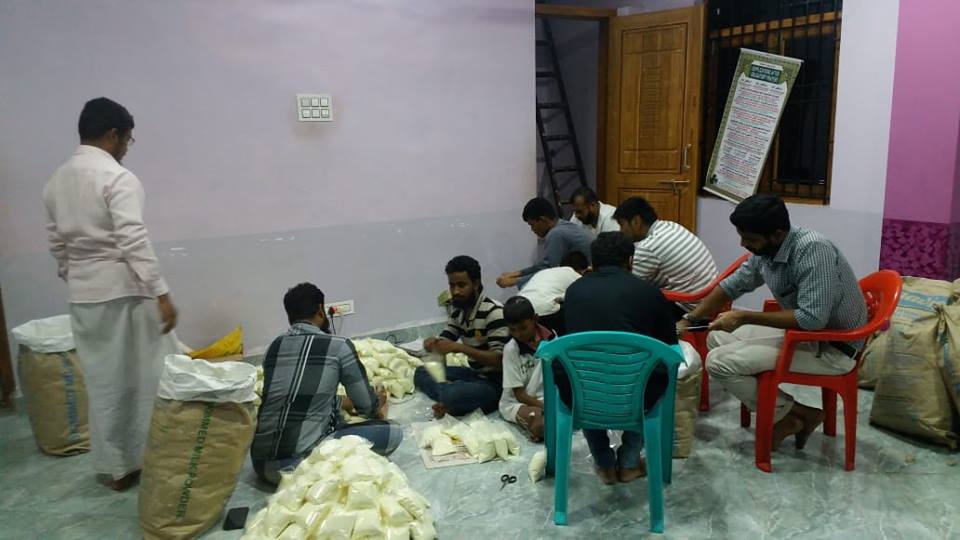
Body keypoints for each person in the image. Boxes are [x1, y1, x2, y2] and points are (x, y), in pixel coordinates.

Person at [43, 97, 179, 491]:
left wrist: (78, 277)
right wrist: (161, 293)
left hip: (83, 294)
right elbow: (132, 239)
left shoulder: (56, 181)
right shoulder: (117, 178)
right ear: (113, 135)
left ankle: (117, 468)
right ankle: (150, 458)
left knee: (103, 383)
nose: (126, 149)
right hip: (124, 293)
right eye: (127, 140)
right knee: (145, 379)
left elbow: (57, 244)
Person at [679, 194, 868, 451]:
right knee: (717, 337)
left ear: (777, 234)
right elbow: (731, 286)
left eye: (750, 238)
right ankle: (798, 413)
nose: (743, 244)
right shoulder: (768, 251)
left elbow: (812, 319)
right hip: (804, 336)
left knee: (718, 363)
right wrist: (689, 319)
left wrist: (745, 317)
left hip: (833, 348)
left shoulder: (813, 250)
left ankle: (788, 415)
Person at [251, 283, 399, 485]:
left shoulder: (273, 348)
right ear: (321, 310)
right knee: (393, 432)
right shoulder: (338, 346)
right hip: (299, 467)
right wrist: (378, 403)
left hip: (261, 466)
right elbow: (367, 407)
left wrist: (342, 402)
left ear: (290, 315)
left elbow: (294, 397)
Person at [563, 232, 679, 485]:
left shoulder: (573, 291)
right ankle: (629, 463)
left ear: (594, 262)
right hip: (635, 396)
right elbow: (670, 347)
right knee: (650, 373)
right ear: (630, 260)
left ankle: (604, 464)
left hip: (585, 395)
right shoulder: (650, 293)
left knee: (583, 374)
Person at [415, 256, 511, 418]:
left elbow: (500, 360)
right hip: (474, 374)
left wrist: (461, 348)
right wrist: (433, 342)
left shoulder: (494, 312)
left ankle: (452, 397)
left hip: (497, 382)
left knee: (453, 394)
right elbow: (447, 336)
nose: (455, 292)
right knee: (421, 372)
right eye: (452, 285)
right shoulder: (458, 309)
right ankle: (453, 398)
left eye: (461, 285)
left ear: (476, 284)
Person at [614, 196, 718, 317]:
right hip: (714, 299)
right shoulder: (671, 226)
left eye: (622, 224)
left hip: (692, 310)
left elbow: (627, 289)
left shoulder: (648, 247)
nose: (621, 230)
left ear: (636, 221)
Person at [496, 197, 593, 289]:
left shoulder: (556, 234)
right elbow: (543, 264)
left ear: (542, 220)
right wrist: (515, 274)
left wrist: (515, 281)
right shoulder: (562, 225)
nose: (532, 230)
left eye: (532, 225)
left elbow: (550, 272)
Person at [498, 296, 555, 442]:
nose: (518, 334)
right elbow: (520, 395)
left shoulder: (552, 339)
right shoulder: (511, 349)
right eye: (513, 330)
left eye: (523, 328)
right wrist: (548, 408)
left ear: (535, 319)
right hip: (519, 403)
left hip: (548, 398)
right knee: (543, 424)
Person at [517, 251, 588, 336]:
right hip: (543, 311)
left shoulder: (545, 272)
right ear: (582, 271)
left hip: (519, 308)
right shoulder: (574, 274)